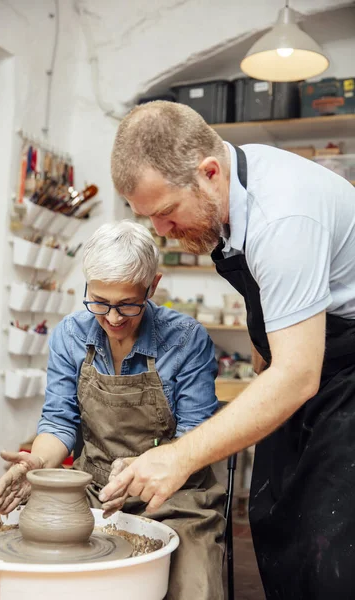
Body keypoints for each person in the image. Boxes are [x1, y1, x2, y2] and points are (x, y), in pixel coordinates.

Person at [100, 100, 355, 600]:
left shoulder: (282, 216)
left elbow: (299, 375)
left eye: (167, 212)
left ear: (209, 172)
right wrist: (262, 351)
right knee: (275, 517)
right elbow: (272, 305)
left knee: (331, 546)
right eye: (149, 218)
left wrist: (178, 457)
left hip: (346, 366)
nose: (162, 232)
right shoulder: (227, 193)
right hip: (309, 358)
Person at [0, 220, 226, 600]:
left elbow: (196, 440)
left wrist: (141, 469)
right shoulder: (71, 333)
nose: (113, 318)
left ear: (152, 286)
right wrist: (36, 463)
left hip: (173, 497)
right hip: (92, 488)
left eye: (128, 304)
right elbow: (59, 421)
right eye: (100, 302)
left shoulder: (186, 339)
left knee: (196, 587)